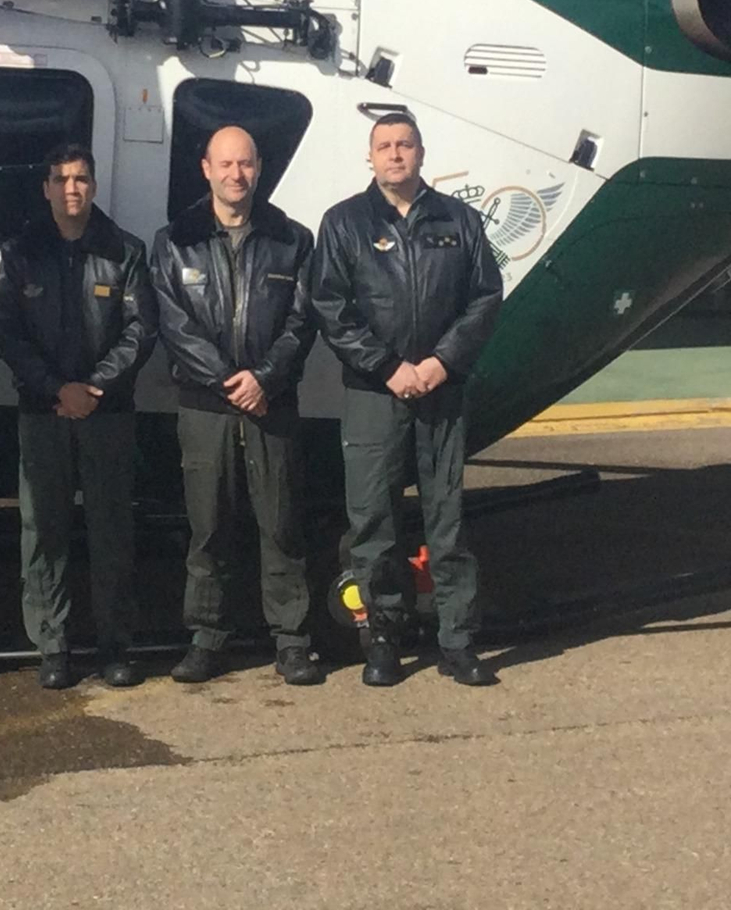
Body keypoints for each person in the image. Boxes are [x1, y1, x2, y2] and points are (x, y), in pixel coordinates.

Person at [308, 112, 503, 688]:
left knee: (448, 522)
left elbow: (485, 299)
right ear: (370, 158)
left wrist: (442, 362)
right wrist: (387, 367)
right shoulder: (344, 223)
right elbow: (330, 307)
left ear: (421, 153)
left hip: (442, 392)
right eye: (384, 146)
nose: (395, 154)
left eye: (405, 144)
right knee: (374, 523)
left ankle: (457, 641)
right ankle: (383, 640)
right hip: (375, 394)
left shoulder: (460, 221)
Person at [150, 125, 324, 686]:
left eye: (245, 163)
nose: (236, 174)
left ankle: (292, 641)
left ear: (258, 168)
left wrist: (264, 379)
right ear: (206, 169)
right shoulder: (174, 241)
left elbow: (302, 321)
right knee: (208, 529)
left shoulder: (292, 240)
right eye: (225, 164)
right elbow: (173, 324)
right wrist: (228, 380)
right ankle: (207, 638)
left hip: (272, 405)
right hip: (206, 407)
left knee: (281, 525)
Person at [0, 142, 157, 689]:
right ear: (46, 188)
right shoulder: (21, 252)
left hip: (107, 414)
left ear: (94, 185)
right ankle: (53, 645)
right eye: (61, 179)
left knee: (112, 530)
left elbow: (140, 331)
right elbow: (9, 333)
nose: (72, 188)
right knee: (44, 532)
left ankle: (115, 645)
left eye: (81, 178)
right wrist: (56, 389)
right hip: (43, 412)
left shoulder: (125, 251)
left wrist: (94, 388)